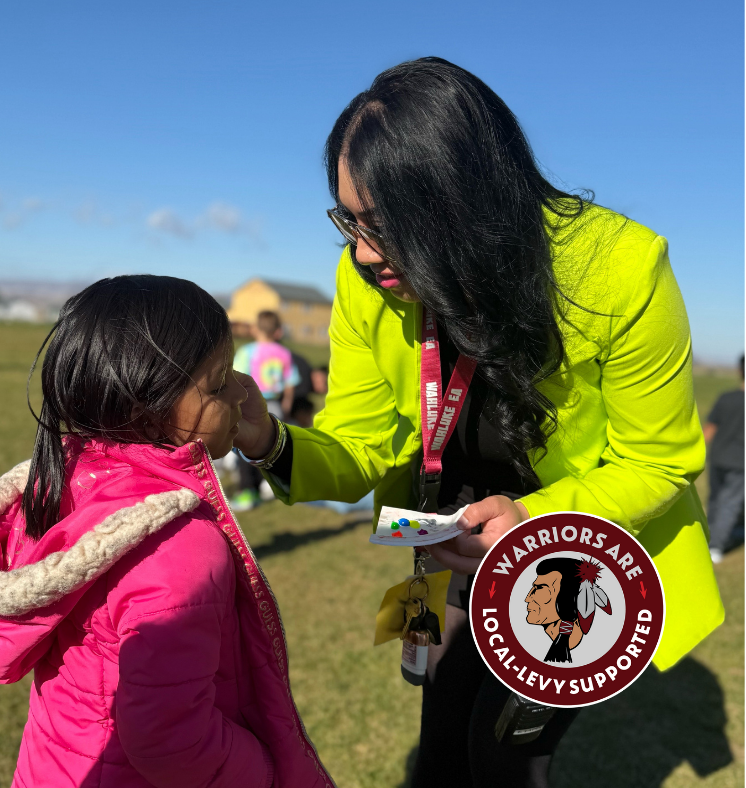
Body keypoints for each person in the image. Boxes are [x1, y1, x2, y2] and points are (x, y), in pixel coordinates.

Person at [233, 57, 724, 788]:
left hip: (573, 557)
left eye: (386, 227)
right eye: (350, 222)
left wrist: (530, 519)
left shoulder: (620, 268)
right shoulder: (364, 276)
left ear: (468, 203)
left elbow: (659, 462)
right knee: (439, 747)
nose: (364, 254)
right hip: (442, 542)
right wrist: (266, 438)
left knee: (502, 757)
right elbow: (362, 443)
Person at [0, 276, 332, 788]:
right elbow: (172, 738)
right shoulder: (179, 547)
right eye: (217, 385)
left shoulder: (72, 483)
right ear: (146, 406)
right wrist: (265, 771)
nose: (241, 390)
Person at [230, 311, 300, 510]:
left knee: (247, 447)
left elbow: (238, 379)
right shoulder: (285, 353)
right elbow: (290, 384)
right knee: (274, 445)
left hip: (251, 405)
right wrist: (286, 405)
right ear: (278, 332)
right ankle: (272, 485)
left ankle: (248, 491)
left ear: (255, 329)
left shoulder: (247, 351)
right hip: (275, 404)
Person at [704, 354, 745, 562]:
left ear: (740, 370)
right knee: (729, 503)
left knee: (715, 499)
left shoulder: (726, 398)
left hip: (718, 458)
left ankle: (707, 537)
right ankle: (716, 546)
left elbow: (709, 430)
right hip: (740, 463)